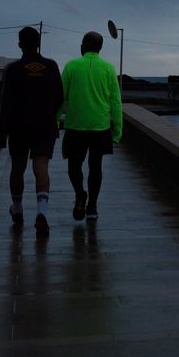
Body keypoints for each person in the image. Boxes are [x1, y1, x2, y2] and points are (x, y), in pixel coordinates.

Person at [0, 26, 63, 234]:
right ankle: (41, 211)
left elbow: (5, 102)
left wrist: (2, 135)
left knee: (18, 166)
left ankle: (17, 207)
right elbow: (60, 97)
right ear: (39, 43)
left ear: (19, 45)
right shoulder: (51, 67)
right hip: (44, 125)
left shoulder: (13, 69)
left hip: (18, 126)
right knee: (41, 165)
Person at [61, 31, 122, 221]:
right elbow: (115, 101)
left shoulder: (71, 66)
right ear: (100, 48)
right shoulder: (109, 68)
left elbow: (60, 97)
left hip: (75, 126)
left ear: (82, 46)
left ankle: (80, 193)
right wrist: (118, 130)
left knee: (74, 166)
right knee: (96, 167)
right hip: (100, 127)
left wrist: (55, 120)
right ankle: (93, 207)